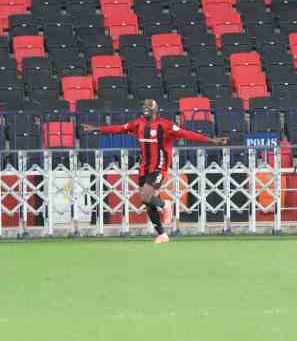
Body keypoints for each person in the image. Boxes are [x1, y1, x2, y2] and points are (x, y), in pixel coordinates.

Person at [83, 99, 226, 243]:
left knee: (145, 196)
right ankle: (162, 234)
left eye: (149, 106)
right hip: (144, 167)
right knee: (148, 203)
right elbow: (119, 128)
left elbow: (186, 134)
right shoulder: (137, 123)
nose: (146, 108)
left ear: (156, 109)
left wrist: (211, 140)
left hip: (159, 167)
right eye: (144, 106)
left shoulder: (166, 125)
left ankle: (166, 205)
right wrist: (97, 129)